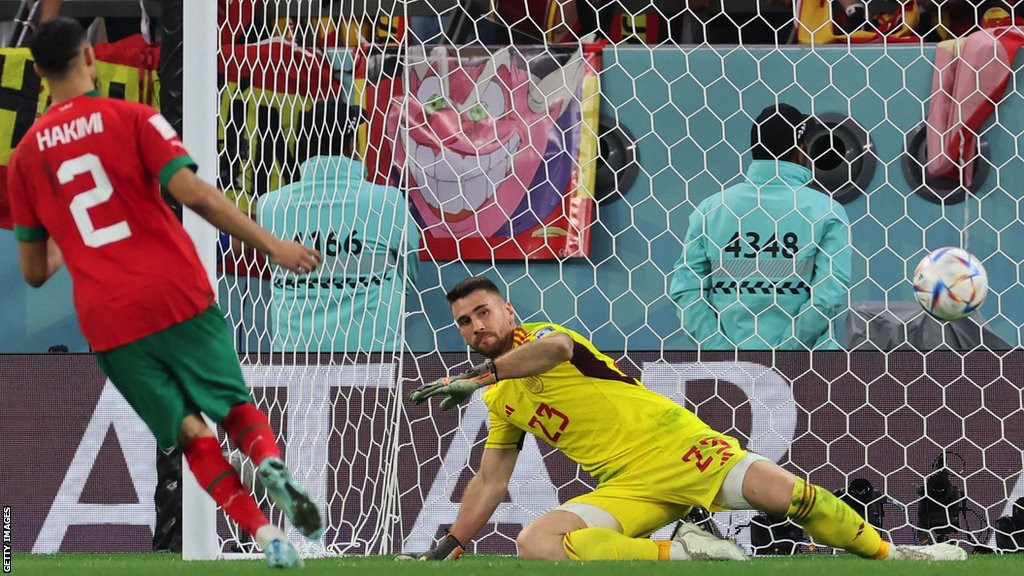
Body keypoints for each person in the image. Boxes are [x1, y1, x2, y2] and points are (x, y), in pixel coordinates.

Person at [8, 18, 323, 569]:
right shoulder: (133, 117)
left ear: (36, 73)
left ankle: (264, 533)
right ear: (90, 58)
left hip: (108, 318)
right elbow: (194, 193)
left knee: (189, 434)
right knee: (233, 409)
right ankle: (270, 464)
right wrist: (271, 244)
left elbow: (34, 271)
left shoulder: (26, 158)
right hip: (174, 290)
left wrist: (66, 231)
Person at [403, 276, 967, 562]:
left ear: (509, 311)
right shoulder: (502, 400)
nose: (476, 325)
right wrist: (453, 539)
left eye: (484, 311)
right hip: (628, 487)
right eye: (464, 322)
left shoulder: (551, 337)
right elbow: (491, 478)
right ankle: (690, 550)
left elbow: (551, 355)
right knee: (537, 543)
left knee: (793, 497)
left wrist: (480, 377)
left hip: (681, 447)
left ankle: (899, 554)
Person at [670, 103, 851, 350]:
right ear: (800, 150)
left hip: (728, 374)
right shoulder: (827, 211)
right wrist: (786, 353)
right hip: (811, 370)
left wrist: (722, 353)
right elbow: (827, 296)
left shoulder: (710, 210)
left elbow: (686, 291)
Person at [258, 100, 419, 353]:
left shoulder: (271, 205)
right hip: (376, 361)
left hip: (294, 359)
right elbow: (409, 272)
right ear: (351, 144)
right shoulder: (386, 201)